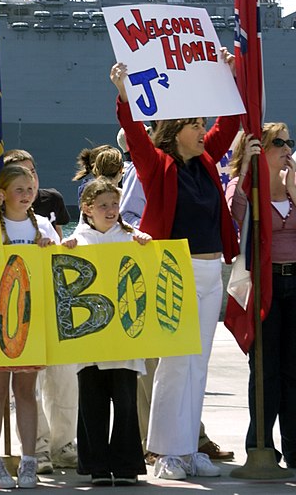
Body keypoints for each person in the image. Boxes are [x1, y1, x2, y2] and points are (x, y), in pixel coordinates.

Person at [110, 58, 239, 481]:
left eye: (204, 125)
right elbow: (133, 135)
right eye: (196, 126)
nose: (204, 132)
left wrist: (228, 77)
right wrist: (125, 96)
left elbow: (231, 124)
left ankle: (187, 447)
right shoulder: (157, 165)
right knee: (173, 361)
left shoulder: (204, 162)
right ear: (176, 131)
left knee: (197, 361)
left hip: (208, 271)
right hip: (173, 269)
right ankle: (165, 451)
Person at [0, 164, 76, 489]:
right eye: (18, 189)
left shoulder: (45, 228)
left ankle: (29, 460)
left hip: (31, 321)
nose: (25, 195)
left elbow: (59, 270)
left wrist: (57, 253)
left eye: (29, 189)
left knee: (26, 392)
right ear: (3, 192)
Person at [66, 178, 150, 486]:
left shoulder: (130, 239)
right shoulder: (77, 241)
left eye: (115, 204)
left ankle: (127, 465)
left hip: (123, 340)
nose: (111, 210)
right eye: (103, 206)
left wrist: (146, 246)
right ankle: (97, 465)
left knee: (126, 403)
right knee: (92, 403)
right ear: (87, 209)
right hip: (90, 340)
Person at [226, 125, 296, 467]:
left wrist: (294, 192)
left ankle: (295, 448)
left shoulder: (294, 187)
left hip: (295, 281)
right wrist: (246, 175)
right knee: (265, 369)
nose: (287, 149)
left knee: (294, 369)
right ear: (261, 150)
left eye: (289, 142)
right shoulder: (248, 189)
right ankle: (261, 447)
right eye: (279, 143)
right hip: (265, 286)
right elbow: (235, 218)